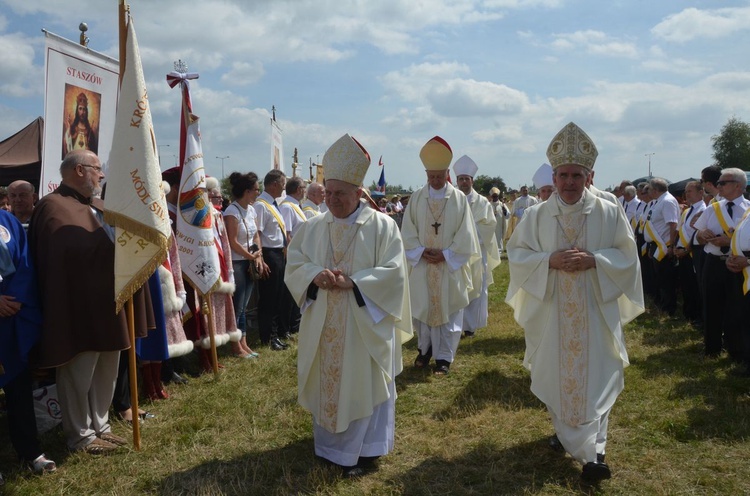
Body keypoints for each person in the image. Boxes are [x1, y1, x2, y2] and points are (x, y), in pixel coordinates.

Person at [505, 122, 644, 483]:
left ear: (590, 175)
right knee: (556, 375)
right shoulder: (536, 215)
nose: (569, 182)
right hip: (552, 313)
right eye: (563, 174)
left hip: (595, 310)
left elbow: (628, 255)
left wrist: (595, 259)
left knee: (596, 376)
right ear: (553, 175)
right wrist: (547, 261)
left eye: (576, 175)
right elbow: (517, 253)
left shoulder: (609, 210)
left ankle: (591, 453)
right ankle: (572, 438)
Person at [284, 133, 412, 477]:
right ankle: (330, 450)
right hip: (324, 320)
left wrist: (354, 282)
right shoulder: (312, 227)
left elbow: (395, 273)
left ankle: (367, 450)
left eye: (340, 193)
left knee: (364, 381)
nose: (333, 200)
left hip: (363, 324)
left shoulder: (383, 227)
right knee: (329, 382)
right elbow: (294, 264)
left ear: (359, 193)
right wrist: (314, 276)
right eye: (328, 193)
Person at [29, 149, 130, 454]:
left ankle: (101, 426)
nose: (102, 175)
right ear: (79, 171)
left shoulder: (99, 206)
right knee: (78, 373)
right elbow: (56, 256)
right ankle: (80, 436)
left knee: (107, 368)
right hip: (77, 306)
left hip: (109, 301)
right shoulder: (52, 206)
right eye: (97, 169)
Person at [401, 136, 480, 375]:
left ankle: (444, 357)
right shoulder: (416, 198)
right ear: (426, 174)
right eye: (430, 177)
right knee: (423, 309)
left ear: (447, 173)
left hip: (448, 266)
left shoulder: (458, 199)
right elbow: (408, 230)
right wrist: (421, 251)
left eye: (439, 176)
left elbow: (466, 232)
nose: (434, 181)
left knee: (449, 313)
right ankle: (424, 350)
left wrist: (446, 254)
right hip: (423, 263)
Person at [0, 209, 56, 478]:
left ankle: (30, 451)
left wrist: (17, 297)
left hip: (11, 320)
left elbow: (24, 261)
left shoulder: (7, 219)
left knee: (18, 388)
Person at [695, 167, 750, 359]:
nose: (718, 186)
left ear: (737, 185)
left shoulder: (748, 209)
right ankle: (712, 348)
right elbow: (698, 235)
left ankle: (736, 350)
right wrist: (702, 234)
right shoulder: (712, 207)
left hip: (737, 265)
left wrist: (729, 241)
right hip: (714, 262)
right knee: (711, 304)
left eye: (722, 183)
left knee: (737, 307)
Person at [453, 155, 501, 338]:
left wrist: (467, 234)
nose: (464, 182)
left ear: (472, 180)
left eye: (467, 179)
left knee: (475, 288)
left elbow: (489, 225)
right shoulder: (451, 200)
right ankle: (456, 323)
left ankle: (470, 327)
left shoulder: (482, 202)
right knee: (458, 288)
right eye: (461, 179)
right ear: (456, 181)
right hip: (455, 252)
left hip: (475, 252)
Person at [224, 172, 264, 358]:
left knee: (245, 306)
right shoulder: (231, 212)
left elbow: (256, 234)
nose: (258, 192)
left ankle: (244, 344)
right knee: (238, 306)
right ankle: (236, 346)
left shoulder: (252, 210)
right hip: (238, 263)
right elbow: (232, 241)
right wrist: (250, 256)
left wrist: (258, 256)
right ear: (247, 191)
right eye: (256, 189)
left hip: (249, 261)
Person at [253, 169, 290, 351]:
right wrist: (260, 257)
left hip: (278, 254)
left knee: (277, 296)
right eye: (283, 184)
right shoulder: (261, 205)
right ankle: (267, 337)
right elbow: (257, 233)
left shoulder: (273, 204)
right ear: (274, 184)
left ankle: (275, 334)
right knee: (268, 298)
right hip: (269, 254)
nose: (284, 188)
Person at [643, 177, 680, 315]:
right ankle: (663, 305)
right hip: (656, 245)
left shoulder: (667, 201)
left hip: (664, 246)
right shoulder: (659, 201)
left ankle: (669, 309)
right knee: (659, 278)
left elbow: (673, 224)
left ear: (655, 189)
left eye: (650, 189)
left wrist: (671, 245)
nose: (648, 192)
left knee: (666, 280)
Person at [674, 181, 705, 325]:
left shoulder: (704, 210)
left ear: (700, 193)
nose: (687, 194)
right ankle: (688, 313)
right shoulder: (688, 211)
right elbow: (680, 231)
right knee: (686, 284)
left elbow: (697, 235)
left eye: (690, 191)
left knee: (695, 287)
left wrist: (686, 250)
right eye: (686, 192)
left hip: (693, 253)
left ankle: (696, 315)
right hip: (683, 253)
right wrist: (676, 247)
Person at [63, 92, 98, 156]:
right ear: (77, 110)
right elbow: (66, 145)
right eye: (80, 109)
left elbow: (95, 153)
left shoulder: (90, 132)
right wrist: (69, 129)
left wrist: (89, 151)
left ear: (86, 112)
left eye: (84, 109)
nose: (82, 112)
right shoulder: (72, 128)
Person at [489, 187, 509, 256]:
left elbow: (507, 215)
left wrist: (504, 210)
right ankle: (491, 251)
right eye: (493, 196)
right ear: (491, 196)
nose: (495, 197)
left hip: (499, 225)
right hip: (490, 225)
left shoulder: (502, 205)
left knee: (498, 237)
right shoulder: (488, 205)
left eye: (496, 196)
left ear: (498, 196)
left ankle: (499, 252)